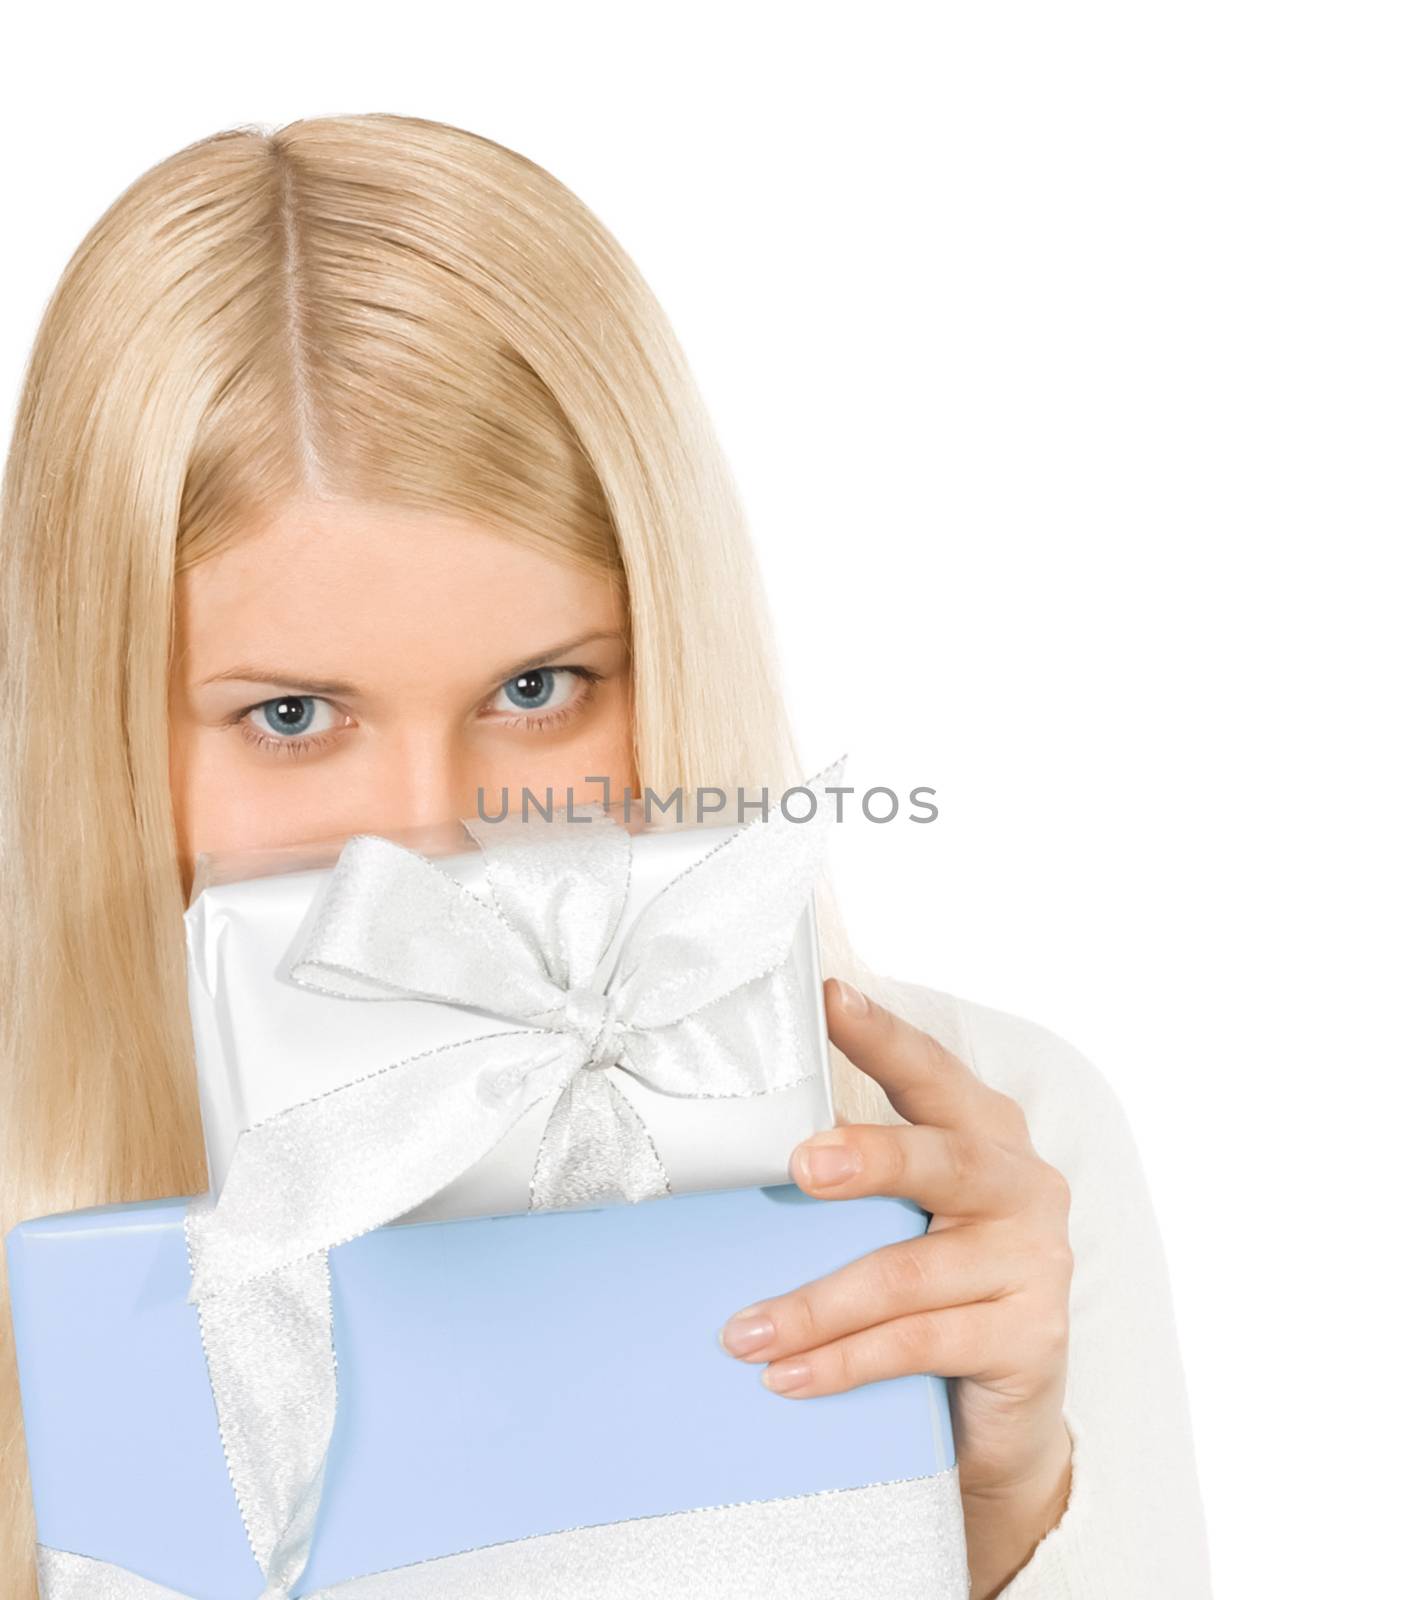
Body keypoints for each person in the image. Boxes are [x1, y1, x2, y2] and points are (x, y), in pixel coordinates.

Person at [0, 113, 1213, 1599]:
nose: (429, 837)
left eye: (538, 689)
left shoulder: (985, 1149)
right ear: (104, 732)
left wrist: (1001, 1498)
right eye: (294, 714)